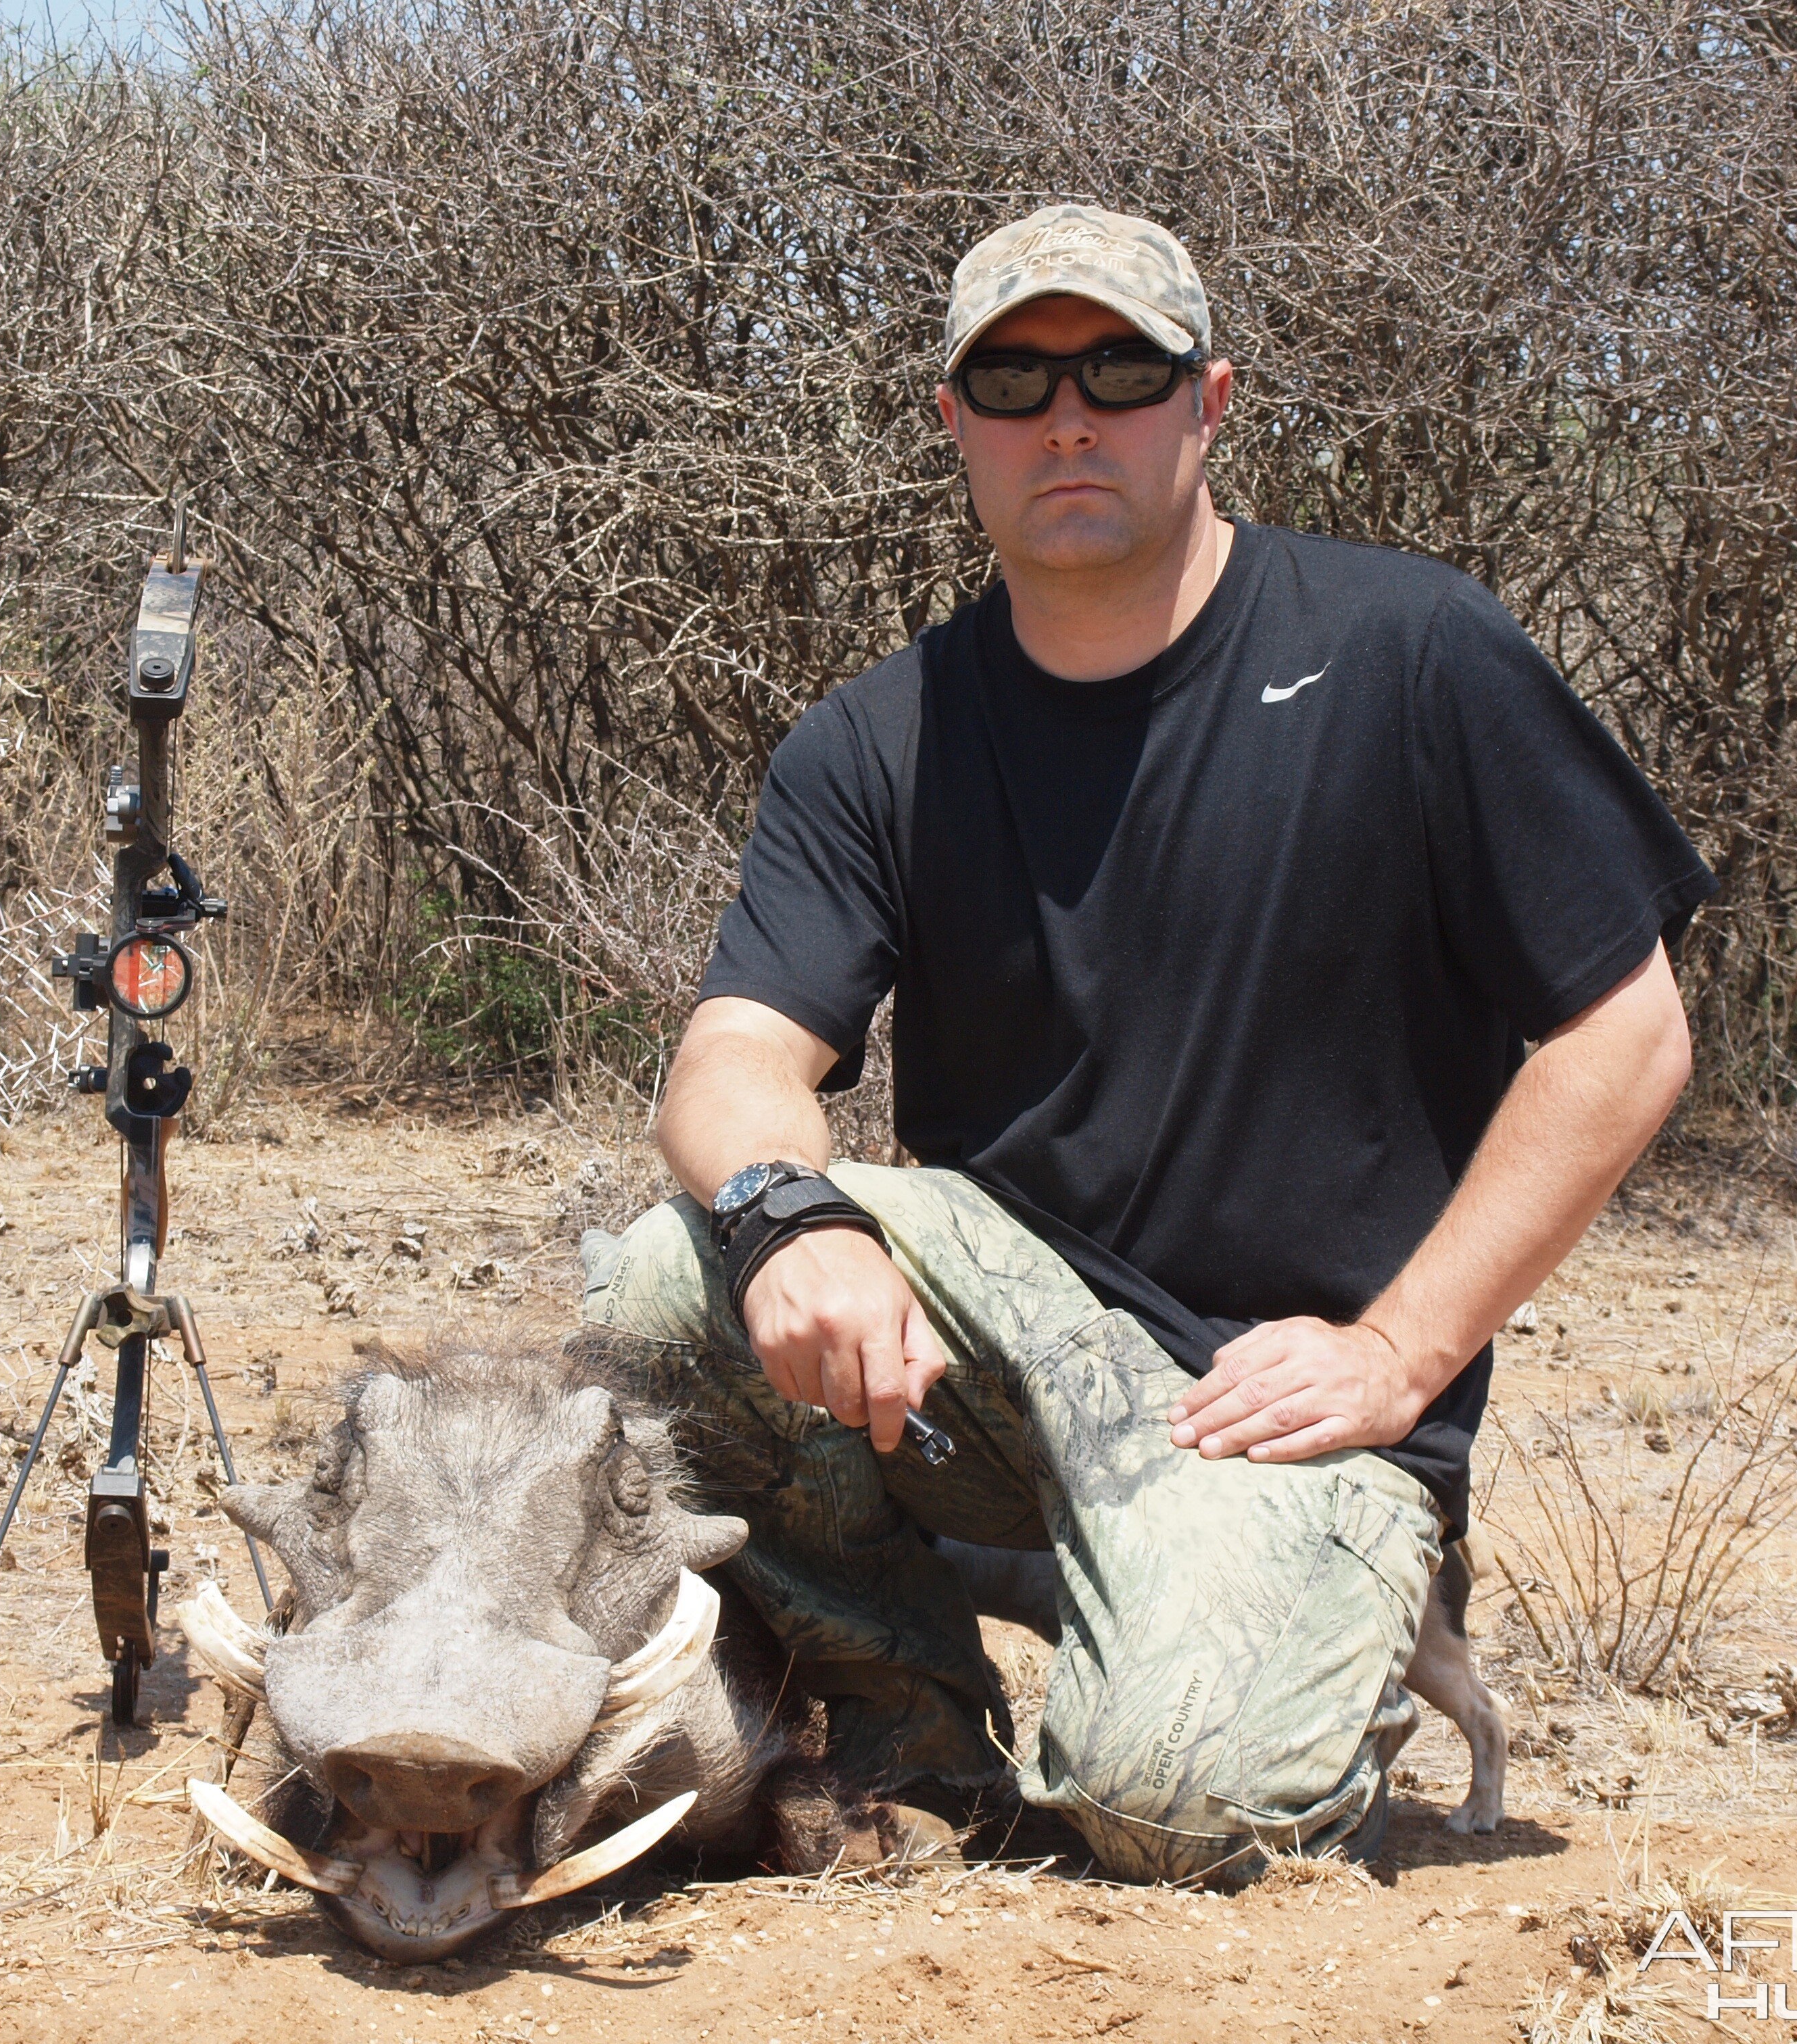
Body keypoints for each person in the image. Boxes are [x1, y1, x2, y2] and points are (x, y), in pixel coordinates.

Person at [582, 202, 1714, 1880]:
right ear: (954, 421)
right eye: (1015, 378)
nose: (1069, 417)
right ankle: (908, 1738)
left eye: (1120, 369)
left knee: (1173, 1813)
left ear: (1209, 404)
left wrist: (1400, 1356)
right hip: (999, 1357)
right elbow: (734, 1056)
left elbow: (1627, 1040)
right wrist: (790, 1220)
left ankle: (1275, 1603)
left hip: (1287, 1392)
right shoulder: (876, 738)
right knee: (672, 1279)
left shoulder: (1411, 653)